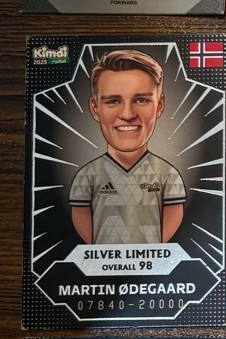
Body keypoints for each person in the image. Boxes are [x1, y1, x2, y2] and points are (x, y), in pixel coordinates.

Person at [69, 49, 185, 244]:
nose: (128, 114)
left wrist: (146, 249)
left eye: (141, 100)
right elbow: (81, 218)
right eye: (113, 101)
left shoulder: (168, 174)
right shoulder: (87, 175)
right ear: (95, 108)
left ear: (159, 105)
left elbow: (173, 215)